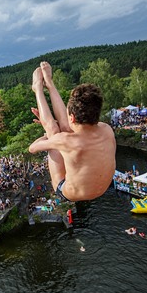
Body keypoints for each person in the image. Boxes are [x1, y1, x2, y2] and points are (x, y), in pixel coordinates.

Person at [29, 61, 116, 202]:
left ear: (72, 117)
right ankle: (49, 84)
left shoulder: (66, 140)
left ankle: (38, 88)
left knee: (52, 130)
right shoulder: (106, 129)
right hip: (103, 188)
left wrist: (47, 136)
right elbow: (77, 133)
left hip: (67, 192)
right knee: (63, 130)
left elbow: (32, 148)